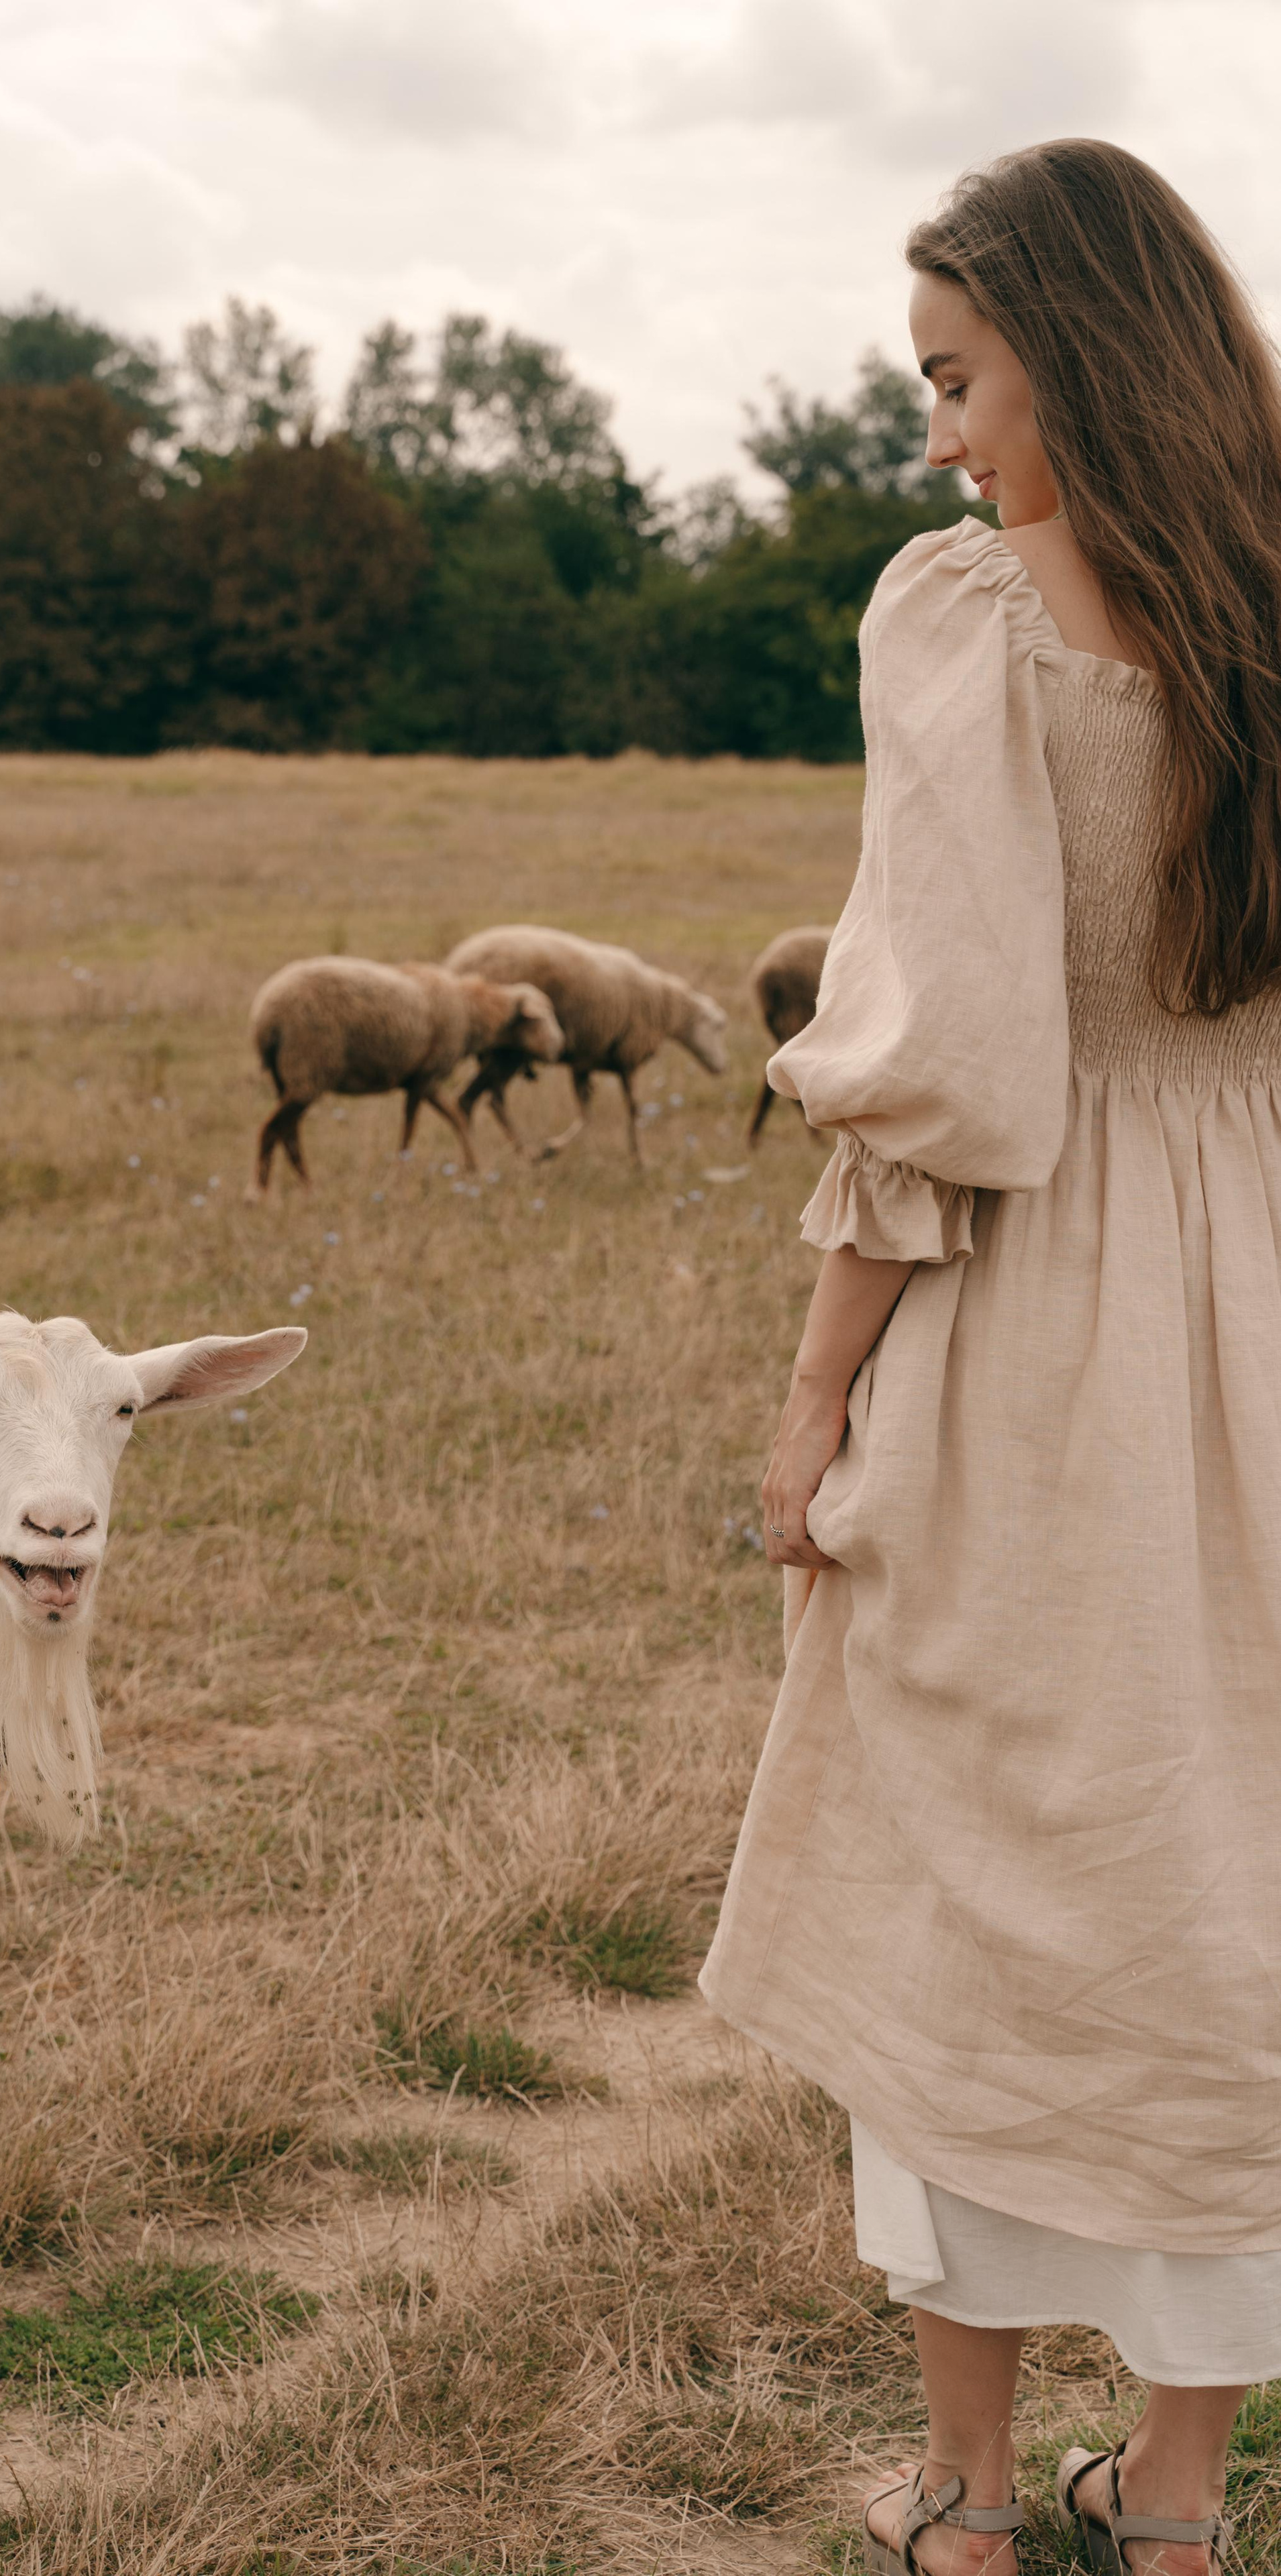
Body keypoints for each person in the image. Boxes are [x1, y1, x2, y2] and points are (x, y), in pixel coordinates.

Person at [698, 138, 1281, 2576]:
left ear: (1076, 352)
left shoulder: (968, 622)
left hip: (1038, 1312)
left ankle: (956, 2499)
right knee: (1228, 1877)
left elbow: (943, 1076)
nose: (939, 436)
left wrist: (816, 1390)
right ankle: (1176, 2506)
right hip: (1264, 1307)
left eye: (956, 376)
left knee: (967, 1866)